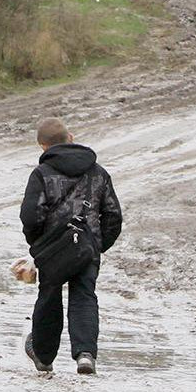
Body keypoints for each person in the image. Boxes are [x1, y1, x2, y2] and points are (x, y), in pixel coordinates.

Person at [19, 118, 122, 375]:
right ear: (71, 137)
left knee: (49, 295)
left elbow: (31, 216)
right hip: (87, 246)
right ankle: (85, 355)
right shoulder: (97, 172)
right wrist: (97, 245)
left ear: (43, 146)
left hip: (53, 249)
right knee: (84, 294)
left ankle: (43, 357)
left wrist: (38, 245)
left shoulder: (42, 174)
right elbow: (113, 215)